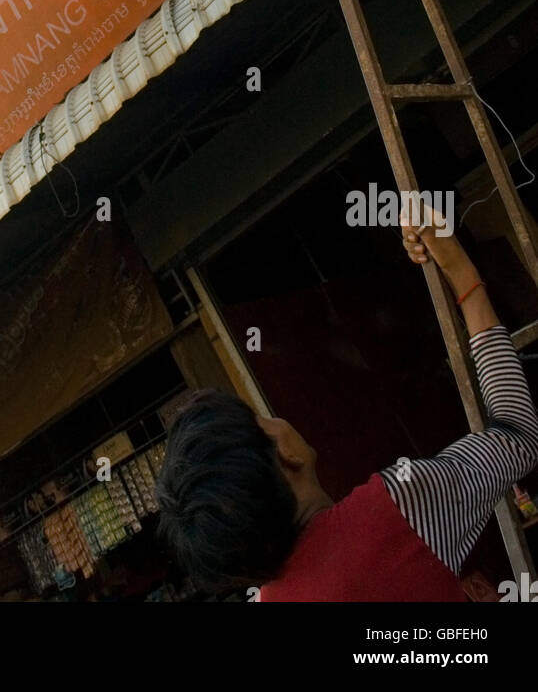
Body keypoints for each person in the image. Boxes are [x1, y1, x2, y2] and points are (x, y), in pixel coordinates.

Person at [153, 209, 538, 600]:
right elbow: (517, 435)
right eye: (259, 422)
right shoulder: (394, 508)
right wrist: (460, 272)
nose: (273, 420)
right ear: (286, 456)